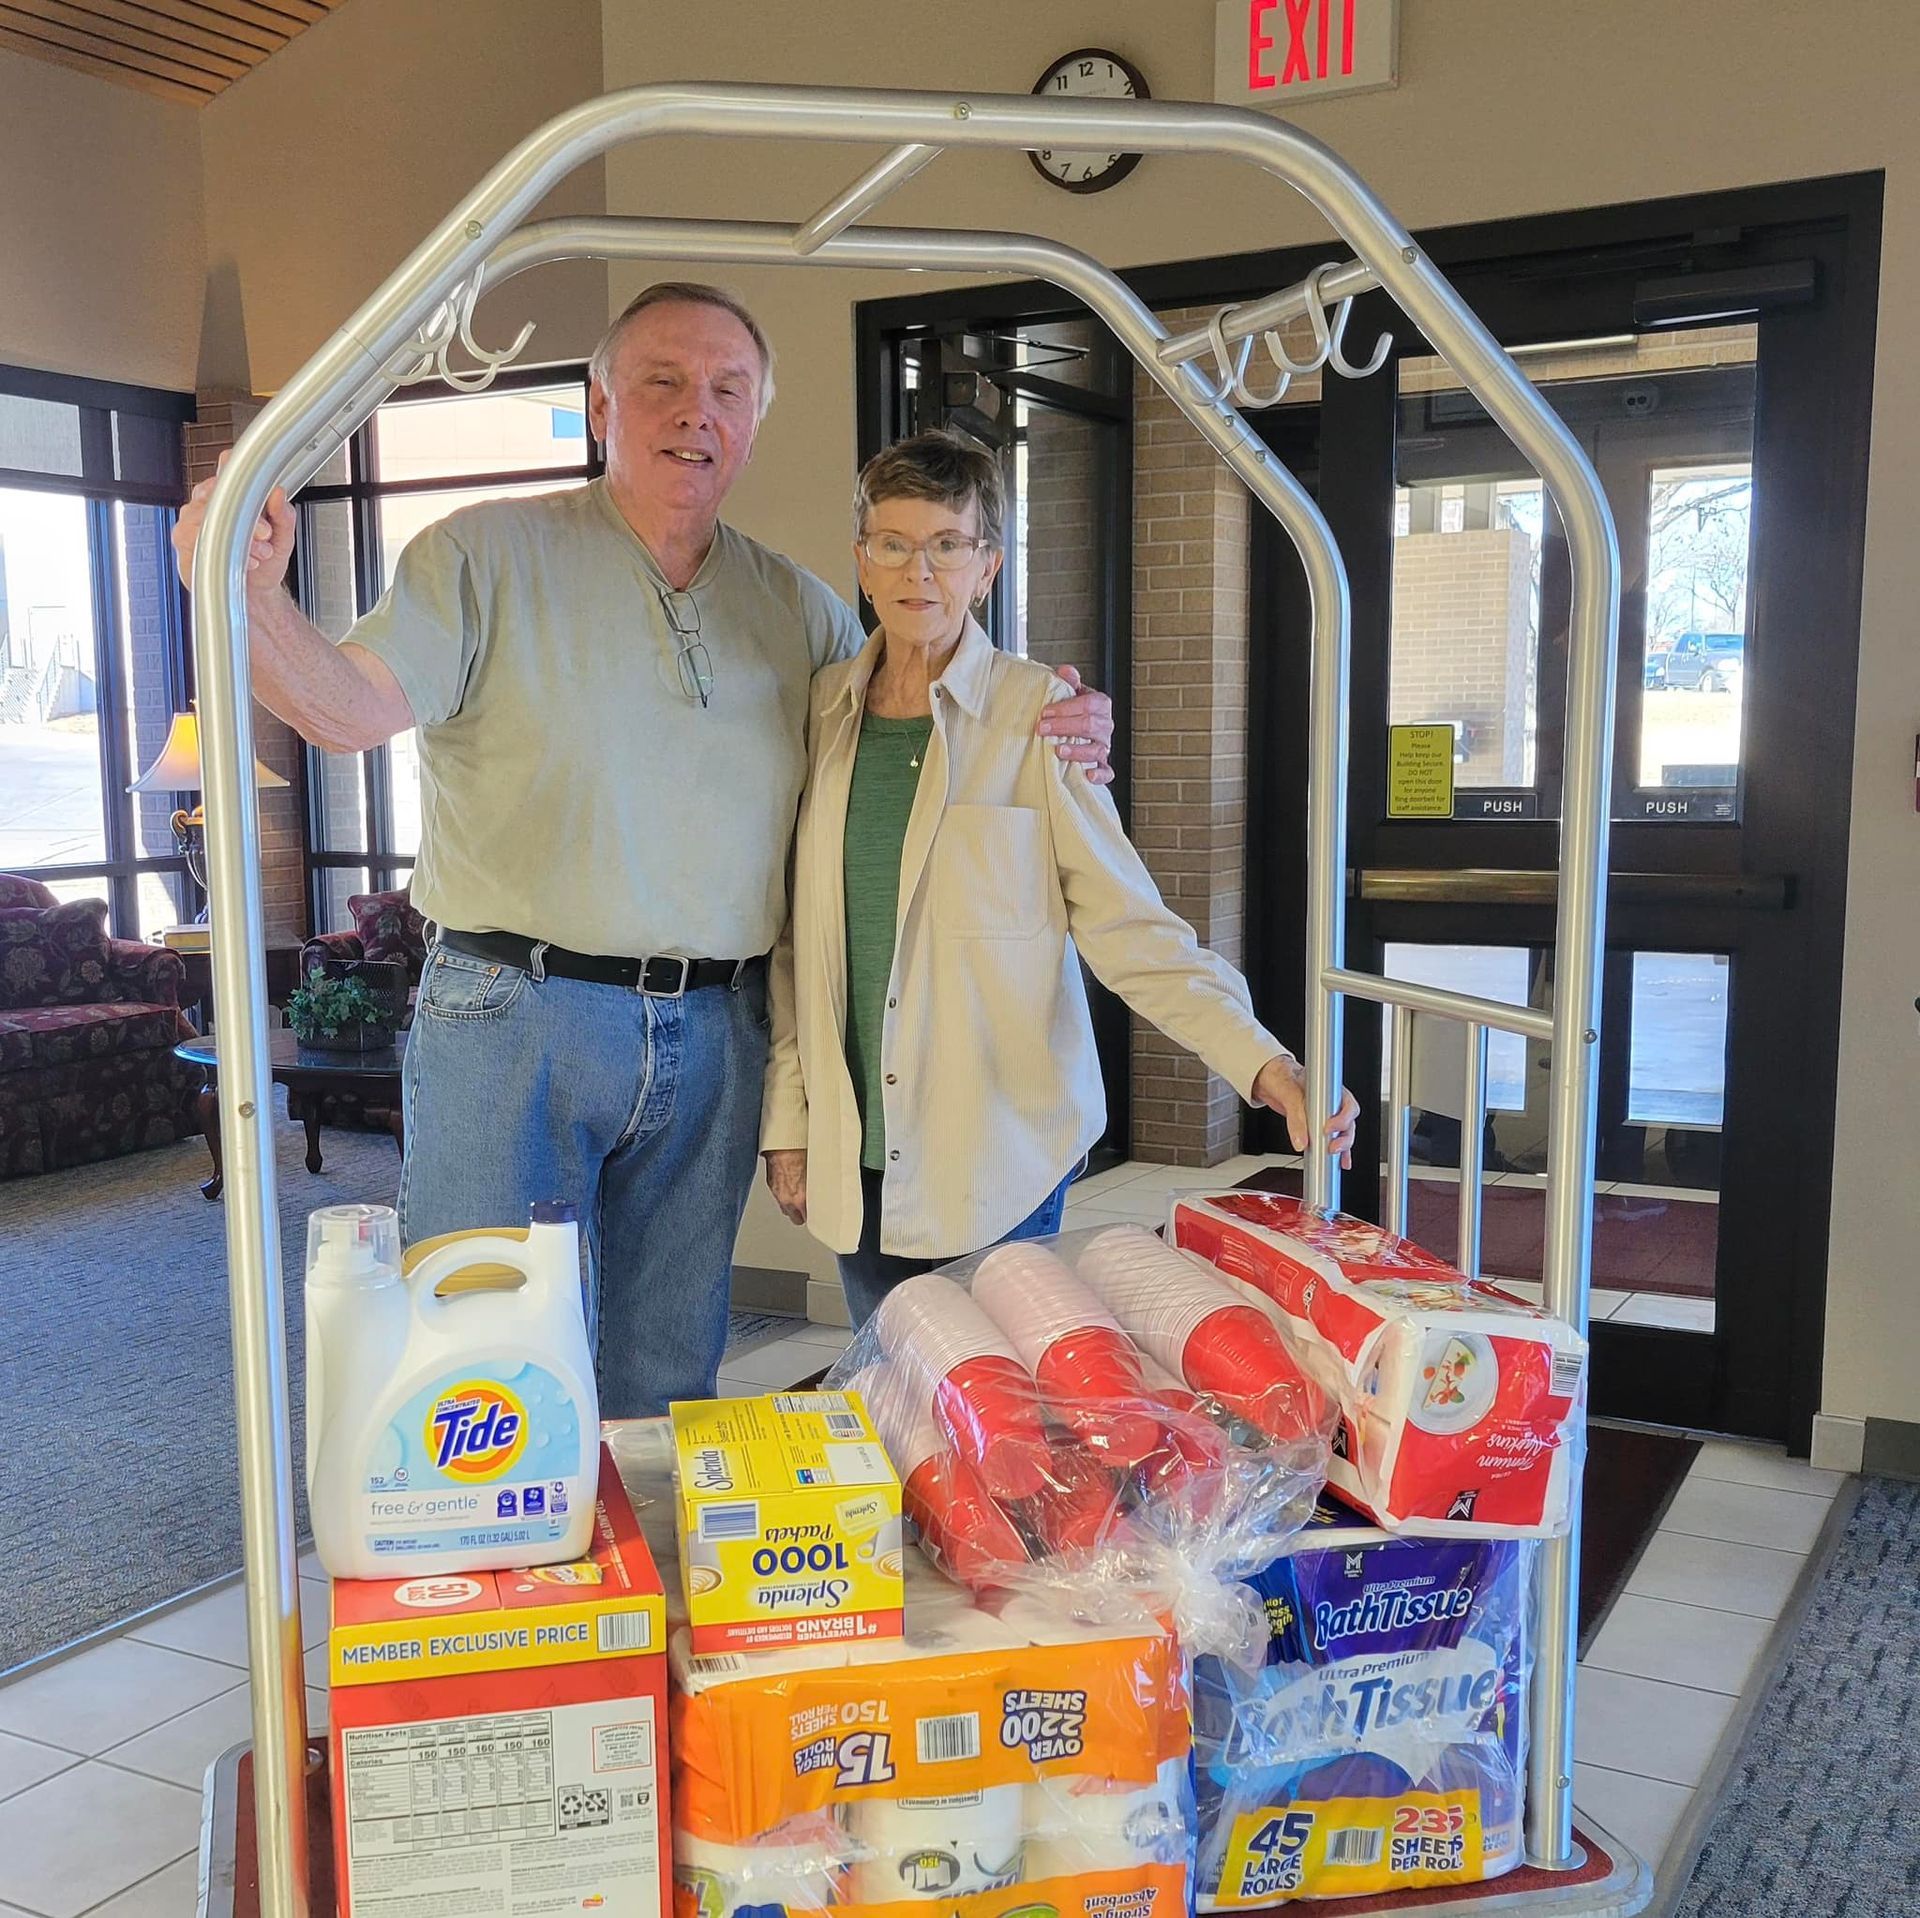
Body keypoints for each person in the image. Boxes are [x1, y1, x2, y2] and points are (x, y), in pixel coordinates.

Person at [171, 283, 1115, 1416]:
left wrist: (1057, 715)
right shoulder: (482, 555)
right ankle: (514, 1590)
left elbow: (916, 722)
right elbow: (343, 708)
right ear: (601, 404)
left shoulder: (801, 607)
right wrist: (249, 592)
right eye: (662, 381)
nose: (695, 411)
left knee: (670, 1374)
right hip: (516, 1019)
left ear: (755, 421)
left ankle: (642, 1592)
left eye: (728, 390)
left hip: (717, 1032)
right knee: (487, 1362)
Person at [760, 431, 1360, 1327]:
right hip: (858, 1164)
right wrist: (791, 1126)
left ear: (987, 567)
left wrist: (1266, 1065)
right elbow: (797, 955)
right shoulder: (823, 716)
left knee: (1002, 1433)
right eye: (894, 543)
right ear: (862, 559)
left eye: (947, 546)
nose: (919, 571)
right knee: (895, 1415)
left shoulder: (1040, 717)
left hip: (997, 1156)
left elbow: (1129, 928)